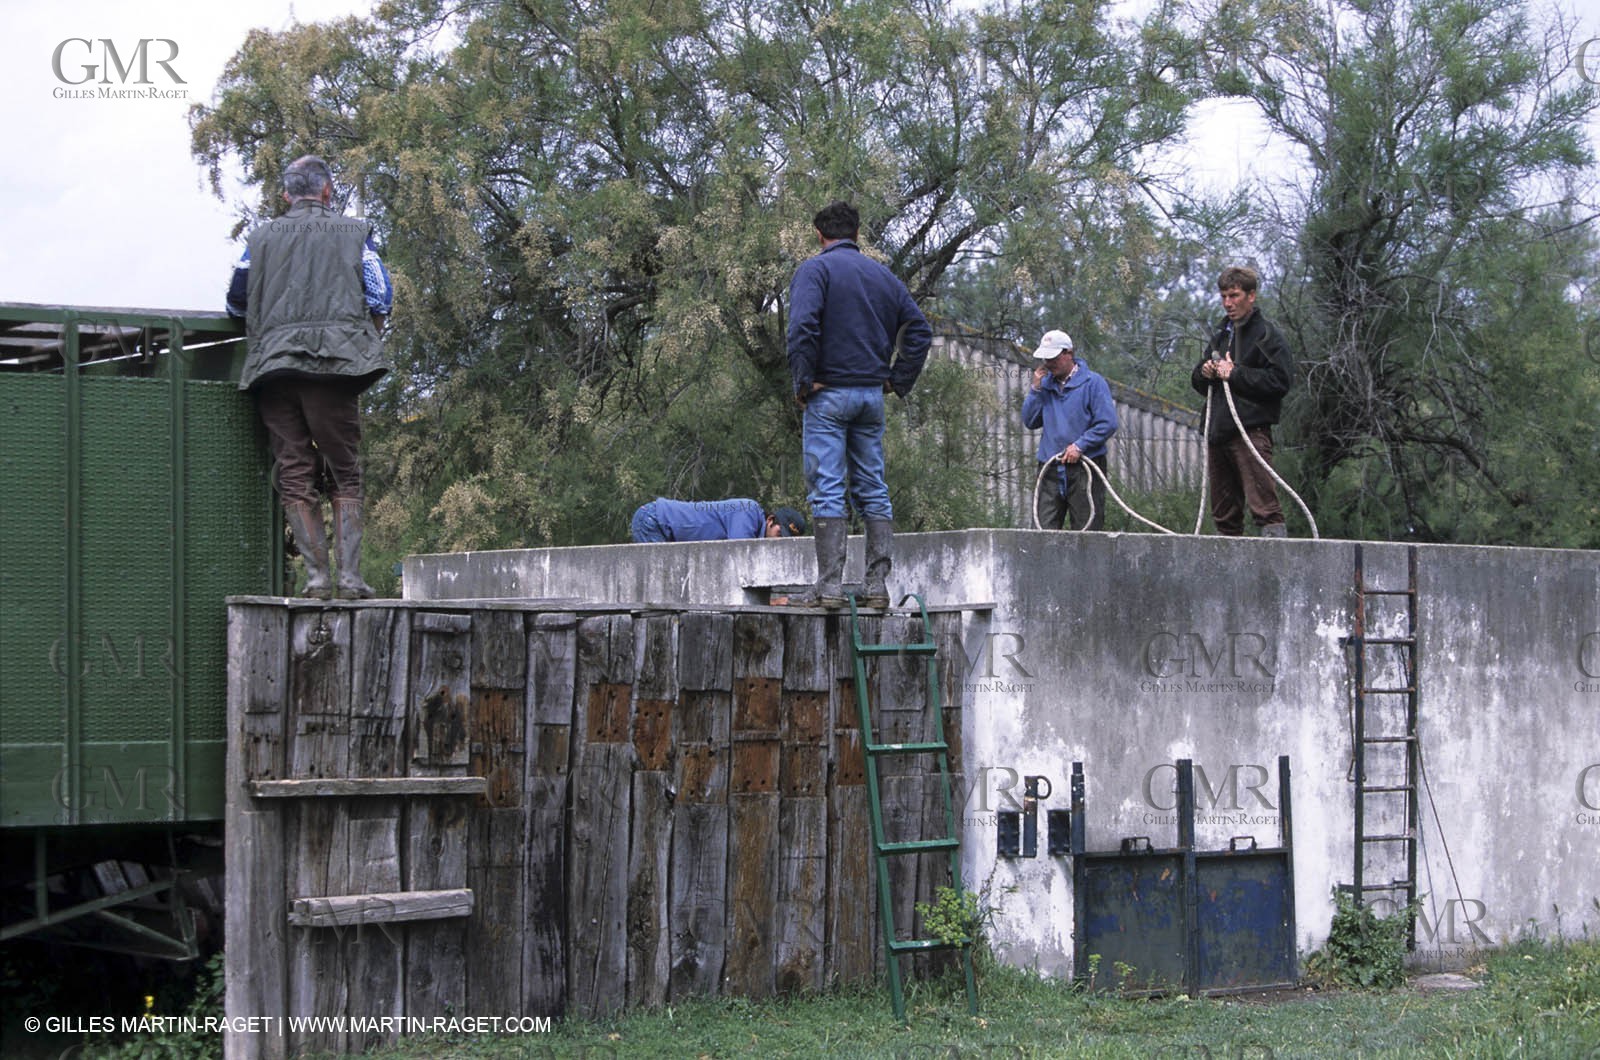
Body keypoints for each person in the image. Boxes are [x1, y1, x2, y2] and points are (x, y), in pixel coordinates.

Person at [226, 155, 393, 598]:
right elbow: (380, 294)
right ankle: (351, 579)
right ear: (327, 191)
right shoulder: (354, 232)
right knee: (345, 472)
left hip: (273, 369)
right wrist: (359, 339)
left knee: (294, 471)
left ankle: (317, 580)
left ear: (285, 195)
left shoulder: (259, 239)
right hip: (334, 369)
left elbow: (235, 302)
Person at [787, 201, 931, 609]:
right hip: (871, 396)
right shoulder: (883, 275)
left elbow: (802, 327)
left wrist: (802, 380)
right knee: (873, 487)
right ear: (856, 234)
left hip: (828, 393)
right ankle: (876, 587)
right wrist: (895, 379)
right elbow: (919, 329)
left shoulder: (815, 270)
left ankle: (829, 587)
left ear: (820, 235)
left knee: (828, 486)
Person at [1190, 265, 1294, 537]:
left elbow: (1280, 382)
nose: (1228, 303)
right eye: (1224, 296)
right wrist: (1205, 372)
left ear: (1251, 295)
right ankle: (1227, 574)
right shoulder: (1221, 335)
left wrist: (1235, 374)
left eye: (1234, 295)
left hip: (1250, 431)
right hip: (1218, 431)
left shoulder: (1267, 336)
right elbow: (1199, 383)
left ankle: (1275, 569)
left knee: (1265, 508)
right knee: (1224, 514)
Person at [1021, 329, 1119, 531]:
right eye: (1045, 359)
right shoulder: (1044, 387)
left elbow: (1107, 423)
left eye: (1053, 358)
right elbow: (1030, 421)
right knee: (1041, 530)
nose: (1048, 363)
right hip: (1050, 466)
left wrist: (1080, 445)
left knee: (1087, 531)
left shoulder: (1093, 383)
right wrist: (1035, 390)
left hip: (1086, 467)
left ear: (1068, 353)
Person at [630, 498, 808, 542]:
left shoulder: (751, 521)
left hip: (659, 521)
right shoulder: (749, 511)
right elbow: (739, 558)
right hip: (653, 519)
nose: (779, 541)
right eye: (780, 534)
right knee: (664, 589)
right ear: (770, 520)